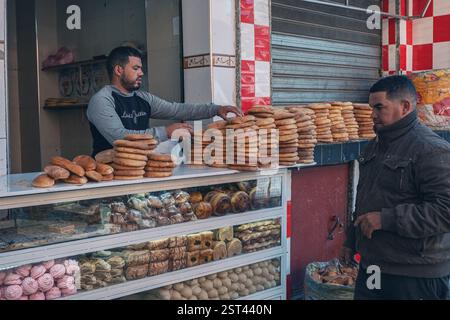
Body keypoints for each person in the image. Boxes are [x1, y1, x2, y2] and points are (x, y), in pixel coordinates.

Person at [340, 76, 450, 300]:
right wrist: (351, 240)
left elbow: (445, 209)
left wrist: (387, 219)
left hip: (415, 274)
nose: (373, 115)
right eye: (372, 108)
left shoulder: (431, 150)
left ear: (405, 107)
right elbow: (365, 199)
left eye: (380, 107)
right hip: (375, 267)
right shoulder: (375, 145)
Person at [87, 46, 242, 156]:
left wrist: (215, 109)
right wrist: (166, 132)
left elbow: (177, 110)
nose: (141, 73)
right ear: (119, 70)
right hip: (108, 173)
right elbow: (120, 137)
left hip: (139, 167)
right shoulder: (102, 100)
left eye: (141, 68)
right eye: (135, 68)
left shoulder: (143, 98)